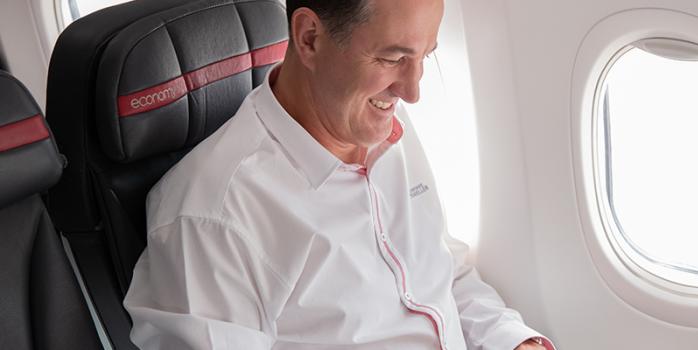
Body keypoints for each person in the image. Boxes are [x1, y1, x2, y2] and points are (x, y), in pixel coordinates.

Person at [122, 0, 553, 349]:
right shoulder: (212, 218)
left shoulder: (381, 125)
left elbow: (440, 271)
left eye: (425, 57)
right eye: (392, 58)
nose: (413, 91)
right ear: (309, 38)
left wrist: (512, 341)